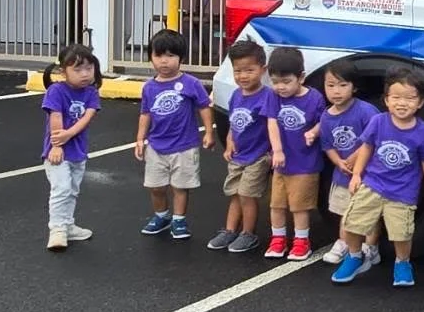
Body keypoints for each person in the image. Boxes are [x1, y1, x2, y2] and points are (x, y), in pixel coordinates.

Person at [334, 66, 424, 288]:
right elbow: (366, 148)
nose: (402, 103)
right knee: (352, 224)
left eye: (410, 98)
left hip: (403, 192)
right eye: (396, 97)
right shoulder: (378, 122)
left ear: (420, 102)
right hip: (372, 184)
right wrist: (357, 174)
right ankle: (353, 256)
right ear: (387, 100)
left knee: (401, 234)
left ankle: (402, 263)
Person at [137, 29, 215, 240]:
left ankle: (179, 219)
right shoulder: (149, 88)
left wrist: (209, 132)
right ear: (151, 58)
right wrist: (139, 139)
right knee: (155, 186)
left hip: (185, 145)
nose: (164, 61)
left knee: (180, 186)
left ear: (181, 58)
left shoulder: (191, 83)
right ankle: (161, 216)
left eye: (171, 55)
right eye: (159, 55)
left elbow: (204, 107)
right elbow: (145, 114)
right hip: (156, 146)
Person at [207, 40, 272, 255]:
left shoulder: (267, 97)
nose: (243, 76)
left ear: (263, 70)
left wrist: (273, 152)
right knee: (234, 193)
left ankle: (248, 233)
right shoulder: (236, 95)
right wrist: (230, 142)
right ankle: (229, 230)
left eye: (249, 70)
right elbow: (234, 122)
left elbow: (273, 126)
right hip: (238, 155)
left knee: (247, 195)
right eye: (238, 71)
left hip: (258, 156)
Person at [263, 46, 327, 261]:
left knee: (300, 206)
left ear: (301, 77)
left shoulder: (315, 98)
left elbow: (324, 121)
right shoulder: (274, 96)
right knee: (277, 204)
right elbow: (271, 122)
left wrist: (313, 132)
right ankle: (278, 239)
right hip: (281, 163)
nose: (280, 87)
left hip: (305, 163)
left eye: (286, 81)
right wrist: (277, 150)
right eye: (275, 81)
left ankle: (301, 241)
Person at [318, 58, 382, 268]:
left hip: (368, 176)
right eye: (331, 85)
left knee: (369, 214)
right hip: (343, 174)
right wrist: (338, 162)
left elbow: (373, 139)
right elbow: (327, 145)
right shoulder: (326, 117)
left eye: (343, 85)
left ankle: (370, 248)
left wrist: (354, 159)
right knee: (343, 212)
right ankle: (343, 243)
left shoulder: (366, 111)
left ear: (354, 87)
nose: (336, 91)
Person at [40, 43, 102, 251]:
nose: (84, 74)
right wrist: (57, 146)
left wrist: (69, 135)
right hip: (58, 151)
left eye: (88, 68)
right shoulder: (56, 91)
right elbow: (55, 118)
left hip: (78, 151)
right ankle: (57, 230)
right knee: (61, 188)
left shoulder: (91, 93)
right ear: (62, 71)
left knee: (73, 189)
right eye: (77, 69)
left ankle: (68, 225)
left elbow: (87, 118)